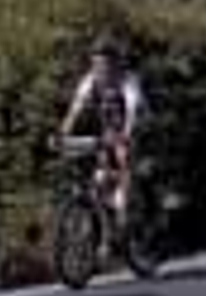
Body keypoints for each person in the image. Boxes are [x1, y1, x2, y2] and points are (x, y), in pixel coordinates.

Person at [58, 36, 147, 221]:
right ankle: (104, 229)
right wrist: (63, 132)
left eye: (105, 62)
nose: (100, 67)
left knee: (123, 156)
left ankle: (124, 212)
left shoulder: (128, 79)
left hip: (134, 128)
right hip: (107, 130)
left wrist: (127, 134)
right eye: (96, 62)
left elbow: (133, 110)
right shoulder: (90, 80)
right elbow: (76, 106)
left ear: (115, 62)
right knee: (98, 178)